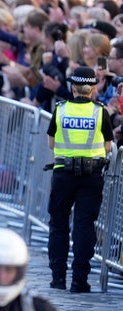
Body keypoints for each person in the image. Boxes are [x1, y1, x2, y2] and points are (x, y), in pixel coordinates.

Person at [46, 66, 113, 293]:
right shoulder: (100, 112)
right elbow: (108, 146)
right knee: (84, 226)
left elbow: (51, 143)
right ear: (93, 89)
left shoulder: (60, 109)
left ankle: (57, 278)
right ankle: (79, 280)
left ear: (72, 87)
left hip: (63, 173)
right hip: (91, 176)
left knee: (58, 225)